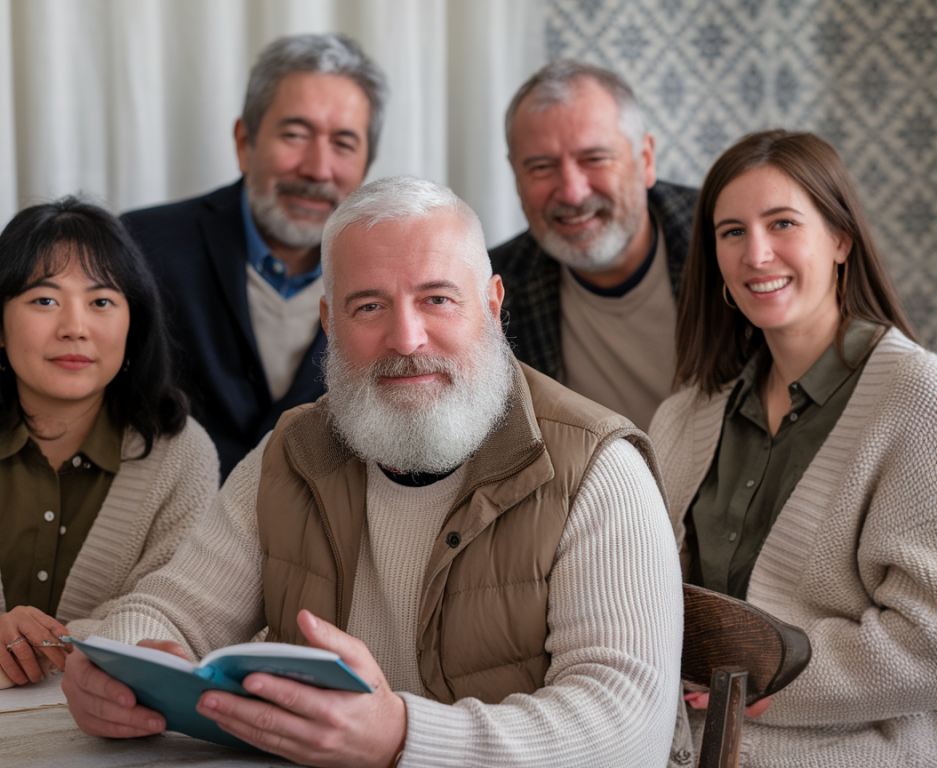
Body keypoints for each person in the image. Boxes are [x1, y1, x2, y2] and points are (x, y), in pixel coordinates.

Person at [62, 176, 684, 767]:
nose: (406, 338)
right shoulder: (292, 454)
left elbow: (626, 735)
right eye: (368, 307)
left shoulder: (599, 469)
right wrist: (121, 666)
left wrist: (401, 739)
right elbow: (171, 611)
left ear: (492, 305)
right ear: (330, 323)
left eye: (437, 298)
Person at [649, 130, 937, 765]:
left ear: (840, 239)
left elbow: (928, 639)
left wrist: (768, 680)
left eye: (782, 223)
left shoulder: (918, 397)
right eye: (731, 232)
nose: (756, 254)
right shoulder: (683, 416)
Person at [0, 198, 218, 685]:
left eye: (101, 302)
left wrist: (50, 645)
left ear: (132, 328)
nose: (75, 328)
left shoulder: (181, 456)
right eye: (44, 300)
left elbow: (181, 611)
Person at [122, 34, 388, 480]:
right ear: (245, 143)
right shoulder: (140, 248)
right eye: (295, 134)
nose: (318, 169)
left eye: (343, 144)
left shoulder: (395, 280)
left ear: (365, 166)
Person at [490, 60, 698, 431]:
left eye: (595, 159)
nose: (572, 192)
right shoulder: (491, 292)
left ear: (645, 160)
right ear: (516, 177)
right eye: (540, 167)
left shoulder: (726, 243)